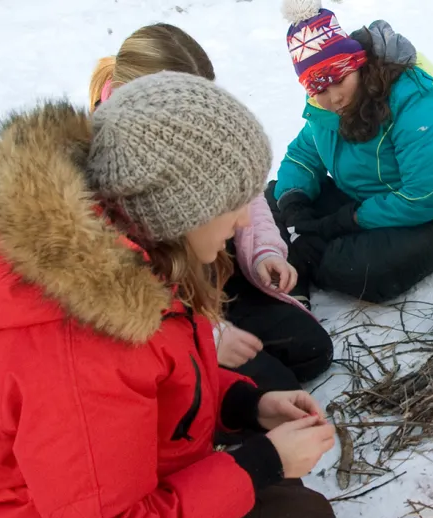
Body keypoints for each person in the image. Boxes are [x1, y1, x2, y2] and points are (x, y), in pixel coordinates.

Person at [0, 73, 339, 518]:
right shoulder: (80, 341)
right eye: (234, 201)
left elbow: (157, 385)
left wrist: (248, 405)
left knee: (271, 490)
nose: (239, 221)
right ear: (183, 208)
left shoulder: (125, 262)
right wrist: (264, 461)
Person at [91, 23, 333, 392]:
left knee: (310, 350)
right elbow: (129, 293)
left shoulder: (197, 120)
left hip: (215, 275)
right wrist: (206, 334)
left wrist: (263, 251)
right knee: (268, 388)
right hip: (170, 306)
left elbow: (245, 193)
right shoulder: (112, 170)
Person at [271, 1, 433, 305]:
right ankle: (299, 254)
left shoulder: (417, 102)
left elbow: (423, 199)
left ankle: (297, 256)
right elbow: (302, 156)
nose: (332, 98)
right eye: (318, 89)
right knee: (276, 195)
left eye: (338, 80)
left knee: (365, 271)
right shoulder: (326, 109)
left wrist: (348, 220)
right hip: (368, 200)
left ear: (356, 63)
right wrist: (294, 203)